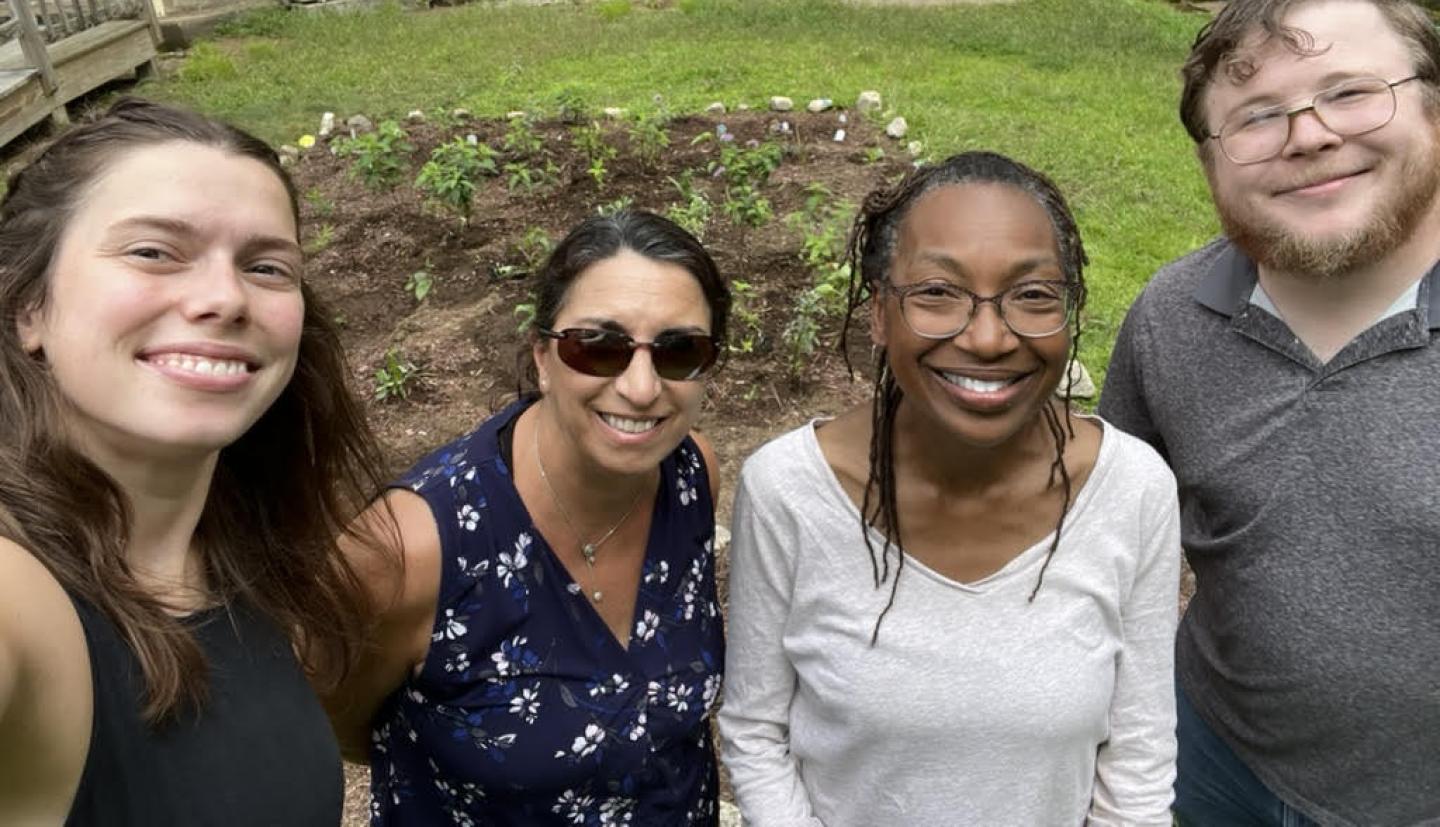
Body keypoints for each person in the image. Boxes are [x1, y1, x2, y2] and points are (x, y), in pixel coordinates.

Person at [718, 151, 1182, 826]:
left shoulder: (1132, 489)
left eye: (1032, 295)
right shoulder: (788, 489)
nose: (989, 337)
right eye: (937, 293)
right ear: (878, 313)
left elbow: (1137, 765)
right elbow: (758, 733)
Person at [0, 98, 389, 824]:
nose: (224, 296)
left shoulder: (246, 557)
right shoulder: (17, 593)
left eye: (267, 266)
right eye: (153, 251)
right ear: (29, 306)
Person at [1099, 1, 1440, 824]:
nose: (1311, 135)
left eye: (1351, 92)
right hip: (1214, 759)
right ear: (1211, 164)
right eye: (1258, 117)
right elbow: (1103, 531)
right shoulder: (1171, 317)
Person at [327, 210, 730, 825]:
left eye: (680, 350)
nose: (642, 386)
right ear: (542, 356)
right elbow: (343, 721)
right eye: (598, 346)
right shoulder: (413, 548)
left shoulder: (692, 476)